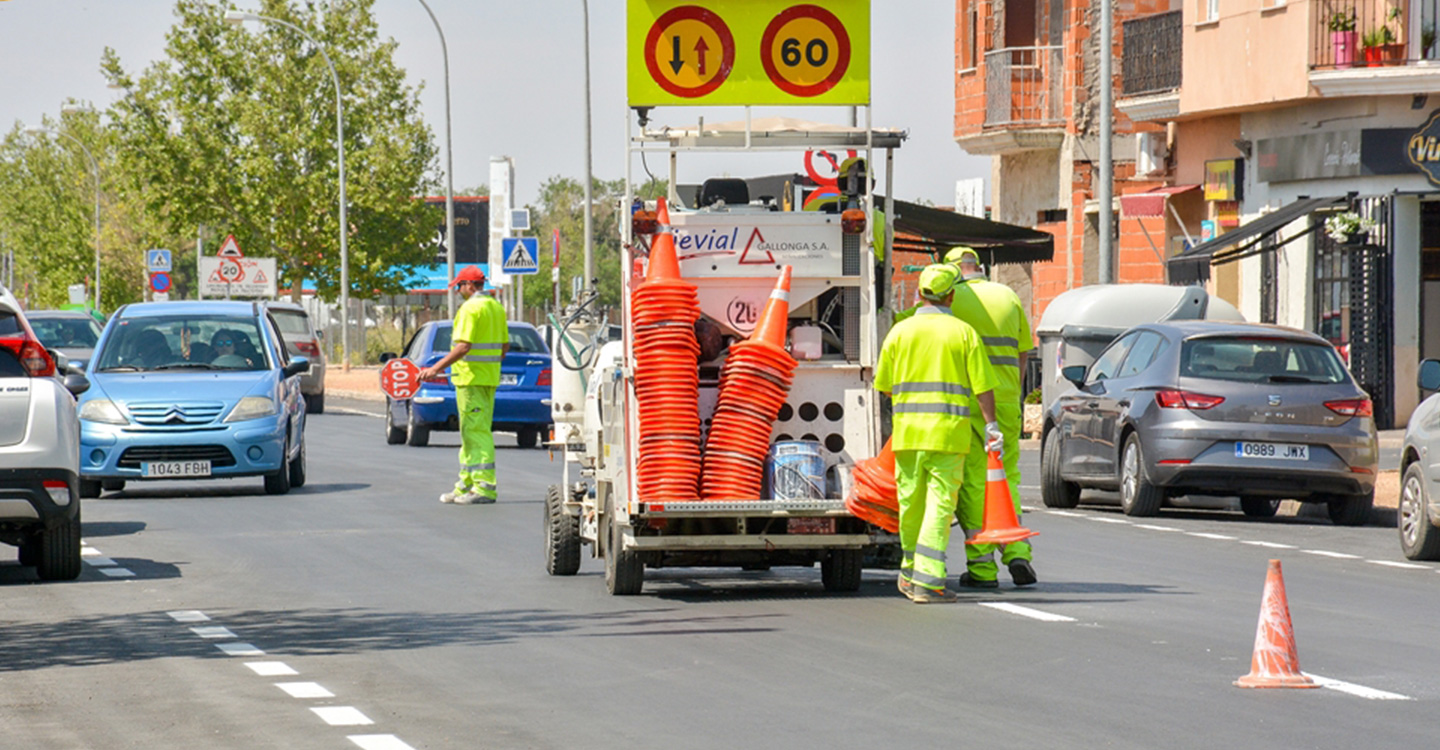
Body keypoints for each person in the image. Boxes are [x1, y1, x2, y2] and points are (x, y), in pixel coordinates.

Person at [874, 263, 1000, 603]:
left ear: (919, 294)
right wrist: (991, 425)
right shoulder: (963, 333)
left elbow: (884, 385)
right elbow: (983, 387)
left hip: (908, 436)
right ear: (952, 295)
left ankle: (909, 573)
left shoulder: (899, 332)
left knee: (911, 506)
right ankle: (928, 583)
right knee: (940, 507)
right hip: (948, 437)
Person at [944, 246, 1038, 588]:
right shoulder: (1008, 296)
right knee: (1007, 478)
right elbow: (1023, 354)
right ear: (979, 267)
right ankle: (1018, 553)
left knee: (973, 482)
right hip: (1007, 402)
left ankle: (983, 570)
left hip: (967, 403)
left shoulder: (952, 299)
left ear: (952, 271)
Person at [419, 266, 509, 505]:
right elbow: (504, 347)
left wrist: (436, 368)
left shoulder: (470, 309)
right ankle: (466, 484)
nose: (458, 290)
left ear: (470, 285)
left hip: (470, 380)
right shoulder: (496, 307)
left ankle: (483, 487)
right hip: (487, 379)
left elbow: (463, 346)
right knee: (471, 432)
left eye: (460, 286)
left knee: (476, 433)